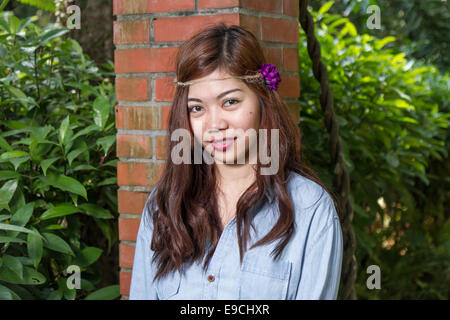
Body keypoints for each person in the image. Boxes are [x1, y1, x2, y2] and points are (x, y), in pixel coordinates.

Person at [129, 23, 343, 300]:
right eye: (197, 108)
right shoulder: (165, 204)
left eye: (230, 102)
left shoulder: (311, 209)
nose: (214, 124)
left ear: (262, 97)